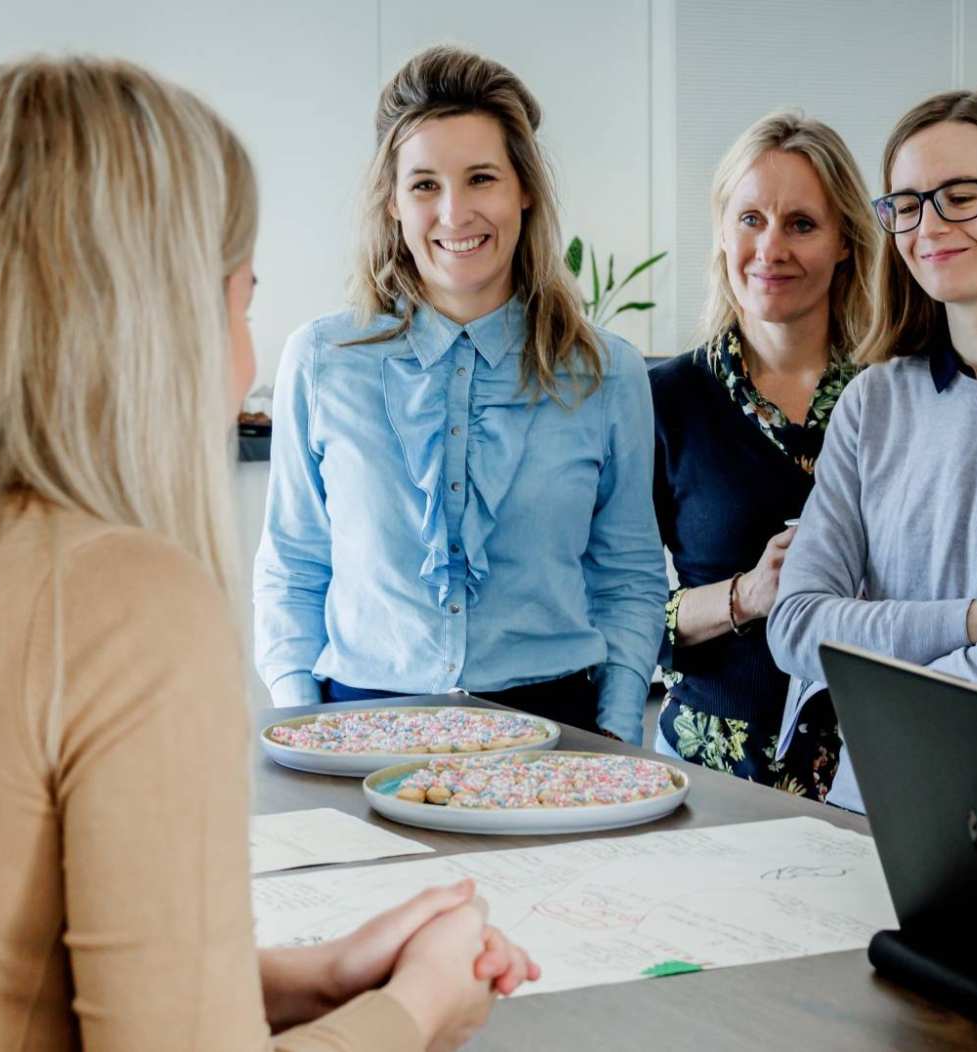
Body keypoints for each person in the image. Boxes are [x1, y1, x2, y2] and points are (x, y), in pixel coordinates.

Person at [0, 56, 535, 1051]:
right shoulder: (118, 600)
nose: (244, 360)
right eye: (240, 300)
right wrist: (418, 1005)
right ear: (160, 317)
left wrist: (301, 978)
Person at [253, 46, 667, 742]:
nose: (455, 212)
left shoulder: (609, 373)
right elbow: (294, 566)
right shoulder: (322, 361)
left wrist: (617, 734)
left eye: (481, 178)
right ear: (392, 202)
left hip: (557, 733)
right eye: (423, 185)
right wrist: (303, 727)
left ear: (524, 191)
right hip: (358, 728)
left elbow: (628, 577)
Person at [767, 89, 977, 812]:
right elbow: (796, 627)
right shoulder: (873, 402)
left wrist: (884, 642)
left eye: (961, 196)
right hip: (873, 796)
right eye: (907, 205)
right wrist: (973, 621)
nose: (928, 226)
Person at [648, 110, 878, 794]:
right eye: (751, 219)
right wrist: (748, 594)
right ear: (722, 231)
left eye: (801, 224)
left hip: (871, 774)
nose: (770, 248)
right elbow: (623, 619)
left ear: (844, 242)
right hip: (710, 776)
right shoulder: (663, 399)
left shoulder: (895, 397)